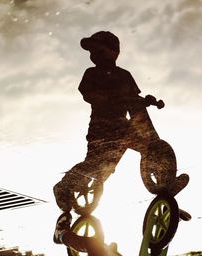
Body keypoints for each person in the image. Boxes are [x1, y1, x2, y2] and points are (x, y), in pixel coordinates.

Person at [53, 31, 163, 212]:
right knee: (97, 164)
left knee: (146, 145)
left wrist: (144, 101)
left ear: (114, 51)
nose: (94, 55)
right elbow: (88, 94)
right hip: (101, 126)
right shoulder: (91, 73)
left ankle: (162, 177)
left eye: (99, 50)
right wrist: (107, 99)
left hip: (122, 125)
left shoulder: (124, 76)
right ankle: (64, 186)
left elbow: (133, 100)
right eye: (92, 52)